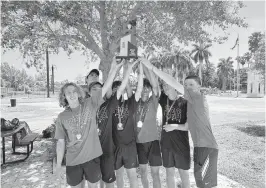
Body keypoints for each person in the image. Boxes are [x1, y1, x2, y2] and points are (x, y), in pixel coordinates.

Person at [140, 57, 190, 188]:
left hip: (181, 144)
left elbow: (189, 126)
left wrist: (175, 126)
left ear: (175, 86)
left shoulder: (185, 102)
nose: (166, 87)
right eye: (164, 86)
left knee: (184, 174)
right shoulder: (163, 99)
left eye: (168, 85)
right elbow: (154, 83)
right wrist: (145, 66)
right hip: (166, 143)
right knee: (169, 173)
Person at [184, 75, 218, 188]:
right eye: (185, 85)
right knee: (200, 181)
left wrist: (152, 68)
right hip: (199, 147)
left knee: (205, 184)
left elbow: (174, 84)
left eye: (191, 84)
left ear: (199, 86)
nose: (187, 87)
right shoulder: (191, 103)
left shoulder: (198, 97)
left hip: (207, 147)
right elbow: (187, 126)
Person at [110, 60, 139, 188]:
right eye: (115, 89)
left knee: (132, 176)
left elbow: (127, 88)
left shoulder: (130, 104)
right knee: (119, 176)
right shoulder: (109, 106)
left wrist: (126, 69)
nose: (118, 90)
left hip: (130, 146)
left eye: (119, 88)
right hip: (116, 147)